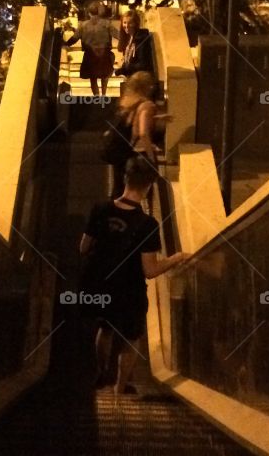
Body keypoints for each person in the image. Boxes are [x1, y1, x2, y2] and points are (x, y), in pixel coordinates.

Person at [80, 154, 193, 396]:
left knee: (105, 329)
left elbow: (83, 248)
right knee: (132, 339)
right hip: (130, 292)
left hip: (101, 287)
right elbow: (150, 270)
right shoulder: (147, 224)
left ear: (124, 178)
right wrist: (175, 258)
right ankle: (120, 387)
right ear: (149, 185)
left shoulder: (100, 209)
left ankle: (101, 373)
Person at [104, 70, 165, 198]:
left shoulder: (126, 101)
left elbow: (133, 122)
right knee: (135, 190)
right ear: (149, 87)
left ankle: (114, 211)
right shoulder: (147, 105)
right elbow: (143, 133)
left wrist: (157, 118)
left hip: (119, 149)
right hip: (134, 151)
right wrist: (151, 157)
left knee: (118, 187)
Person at [68, 2, 114, 97]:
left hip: (90, 55)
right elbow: (118, 35)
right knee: (104, 76)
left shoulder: (83, 25)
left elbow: (73, 39)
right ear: (99, 12)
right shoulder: (107, 24)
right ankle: (104, 95)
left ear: (89, 13)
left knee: (93, 78)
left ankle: (96, 98)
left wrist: (64, 43)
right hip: (104, 54)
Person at [116, 9, 153, 78]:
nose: (127, 26)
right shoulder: (127, 38)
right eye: (124, 22)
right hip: (131, 76)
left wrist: (125, 67)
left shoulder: (141, 38)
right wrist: (121, 69)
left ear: (136, 23)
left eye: (130, 23)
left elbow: (143, 64)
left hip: (140, 78)